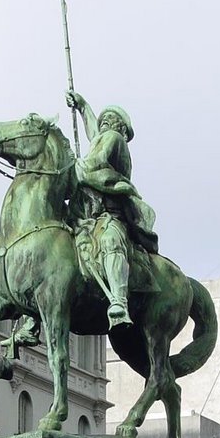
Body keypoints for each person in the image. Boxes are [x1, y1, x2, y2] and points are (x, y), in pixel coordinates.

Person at [65, 90, 157, 329]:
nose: (105, 121)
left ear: (121, 128)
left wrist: (74, 167)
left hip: (111, 215)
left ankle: (119, 300)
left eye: (110, 119)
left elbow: (97, 160)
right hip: (88, 216)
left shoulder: (115, 140)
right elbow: (94, 136)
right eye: (103, 119)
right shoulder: (103, 139)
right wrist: (83, 106)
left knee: (110, 240)